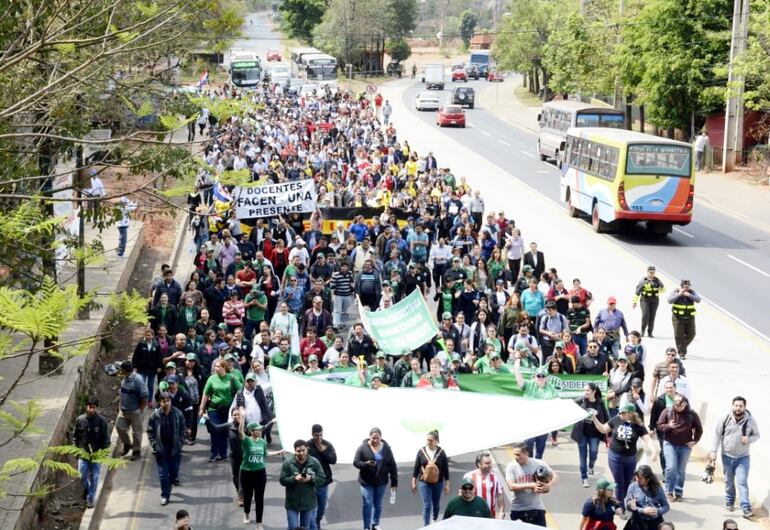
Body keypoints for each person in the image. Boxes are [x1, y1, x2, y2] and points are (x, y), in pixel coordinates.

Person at [591, 403, 658, 509]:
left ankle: (628, 502)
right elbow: (603, 429)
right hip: (615, 457)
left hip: (630, 459)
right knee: (619, 483)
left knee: (628, 483)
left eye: (623, 412)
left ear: (630, 413)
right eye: (620, 412)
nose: (620, 414)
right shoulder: (616, 419)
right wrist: (594, 419)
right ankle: (620, 507)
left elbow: (647, 439)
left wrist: (654, 451)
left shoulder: (638, 425)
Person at [709, 396, 760, 517]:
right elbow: (717, 435)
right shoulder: (725, 418)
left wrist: (749, 439)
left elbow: (757, 435)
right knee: (728, 481)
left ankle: (746, 507)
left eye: (741, 406)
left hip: (743, 457)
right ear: (732, 406)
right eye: (736, 405)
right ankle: (730, 500)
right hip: (727, 456)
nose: (738, 408)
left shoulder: (750, 420)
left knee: (742, 481)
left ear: (744, 407)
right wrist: (713, 451)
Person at [655, 394, 702, 501]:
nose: (677, 407)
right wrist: (668, 426)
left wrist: (694, 441)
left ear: (685, 404)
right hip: (670, 443)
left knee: (681, 470)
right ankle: (668, 491)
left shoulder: (692, 414)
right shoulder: (668, 411)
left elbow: (699, 429)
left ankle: (678, 491)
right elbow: (659, 425)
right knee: (671, 467)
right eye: (675, 405)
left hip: (685, 446)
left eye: (679, 405)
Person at [238, 420, 283, 528]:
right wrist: (242, 417)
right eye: (257, 430)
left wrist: (278, 452)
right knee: (248, 496)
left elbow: (265, 454)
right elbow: (240, 432)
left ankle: (259, 522)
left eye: (260, 429)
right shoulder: (247, 441)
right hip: (246, 473)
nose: (260, 431)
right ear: (251, 431)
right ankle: (247, 514)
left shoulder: (262, 442)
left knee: (259, 498)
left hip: (260, 473)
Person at [353, 427, 398, 530]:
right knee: (367, 503)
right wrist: (365, 464)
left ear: (381, 437)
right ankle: (366, 526)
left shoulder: (386, 448)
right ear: (369, 437)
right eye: (373, 438)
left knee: (377, 504)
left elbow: (392, 465)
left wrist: (394, 482)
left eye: (377, 438)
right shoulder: (362, 447)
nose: (375, 440)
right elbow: (355, 462)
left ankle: (375, 524)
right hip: (366, 481)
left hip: (381, 481)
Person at [146, 392, 186, 506]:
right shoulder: (155, 416)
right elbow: (150, 431)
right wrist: (154, 445)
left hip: (175, 449)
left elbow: (183, 429)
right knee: (163, 474)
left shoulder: (178, 414)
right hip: (161, 449)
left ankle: (169, 485)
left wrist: (180, 443)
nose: (166, 403)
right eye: (163, 401)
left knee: (174, 472)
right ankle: (165, 495)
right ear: (160, 402)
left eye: (168, 400)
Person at [199, 359, 242, 462]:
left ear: (224, 367)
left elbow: (240, 390)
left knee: (224, 431)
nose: (215, 368)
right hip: (214, 409)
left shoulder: (231, 378)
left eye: (218, 366)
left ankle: (223, 453)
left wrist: (240, 406)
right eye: (215, 366)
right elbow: (206, 394)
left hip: (227, 409)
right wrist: (201, 408)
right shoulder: (211, 379)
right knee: (214, 431)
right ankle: (214, 453)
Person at [505, 442, 557, 526]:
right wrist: (532, 485)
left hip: (536, 508)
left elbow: (555, 475)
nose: (516, 457)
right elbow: (511, 486)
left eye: (518, 455)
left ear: (526, 453)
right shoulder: (511, 466)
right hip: (518, 509)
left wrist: (548, 486)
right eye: (514, 455)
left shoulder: (538, 463)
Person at [513, 361, 557, 459]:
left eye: (543, 376)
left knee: (540, 448)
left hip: (544, 423)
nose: (540, 378)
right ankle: (529, 465)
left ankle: (537, 467)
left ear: (546, 377)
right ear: (534, 377)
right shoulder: (529, 385)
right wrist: (516, 369)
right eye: (538, 376)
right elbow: (520, 382)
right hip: (529, 422)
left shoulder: (550, 387)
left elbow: (557, 400)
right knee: (528, 445)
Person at [279, 439, 326, 530]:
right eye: (298, 451)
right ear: (295, 451)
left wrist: (311, 479)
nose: (301, 453)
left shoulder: (314, 462)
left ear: (307, 449)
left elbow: (322, 478)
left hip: (308, 503)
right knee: (292, 527)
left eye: (303, 450)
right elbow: (282, 480)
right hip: (292, 503)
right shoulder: (288, 463)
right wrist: (294, 478)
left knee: (305, 528)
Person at [73, 396, 110, 509]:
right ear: (86, 407)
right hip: (83, 454)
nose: (91, 410)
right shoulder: (80, 420)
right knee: (82, 475)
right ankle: (87, 488)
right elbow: (75, 437)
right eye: (90, 407)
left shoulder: (101, 422)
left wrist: (103, 453)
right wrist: (76, 450)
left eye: (94, 408)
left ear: (96, 408)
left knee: (95, 477)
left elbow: (106, 439)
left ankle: (90, 498)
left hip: (96, 455)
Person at [571, 383, 610, 488]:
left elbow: (606, 418)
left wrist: (608, 432)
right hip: (582, 433)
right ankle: (584, 477)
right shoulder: (581, 400)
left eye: (588, 390)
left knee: (593, 453)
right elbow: (570, 405)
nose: (585, 392)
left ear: (594, 391)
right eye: (584, 390)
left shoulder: (600, 402)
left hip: (595, 434)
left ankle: (591, 465)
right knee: (582, 456)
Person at [411, 430, 450, 526]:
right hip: (424, 482)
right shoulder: (421, 452)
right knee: (427, 505)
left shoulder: (441, 452)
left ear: (436, 441)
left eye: (431, 440)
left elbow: (445, 469)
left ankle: (434, 517)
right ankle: (426, 526)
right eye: (427, 440)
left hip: (438, 482)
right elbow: (416, 468)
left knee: (436, 504)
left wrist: (447, 484)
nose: (428, 442)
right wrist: (413, 482)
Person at [116, 360, 148, 461]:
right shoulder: (125, 379)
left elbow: (144, 397)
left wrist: (140, 410)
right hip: (124, 411)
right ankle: (127, 444)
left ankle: (136, 451)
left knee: (137, 432)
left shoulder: (138, 380)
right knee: (120, 427)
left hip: (135, 411)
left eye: (121, 370)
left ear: (125, 370)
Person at [307, 424, 337, 530]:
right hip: (310, 482)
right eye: (316, 435)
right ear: (312, 434)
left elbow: (333, 460)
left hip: (323, 482)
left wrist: (323, 450)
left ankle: (317, 522)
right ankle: (313, 527)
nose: (319, 438)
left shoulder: (327, 444)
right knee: (312, 507)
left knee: (322, 507)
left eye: (321, 435)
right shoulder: (307, 446)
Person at [624, 465, 670, 530]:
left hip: (655, 522)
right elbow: (628, 506)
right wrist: (643, 511)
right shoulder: (632, 487)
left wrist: (657, 511)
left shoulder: (658, 488)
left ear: (648, 479)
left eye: (640, 478)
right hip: (637, 521)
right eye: (636, 477)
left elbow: (666, 506)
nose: (637, 479)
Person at [463, 451, 505, 519]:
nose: (490, 465)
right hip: (472, 516)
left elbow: (499, 496)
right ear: (479, 464)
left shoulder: (495, 477)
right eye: (487, 463)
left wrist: (501, 513)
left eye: (490, 462)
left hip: (489, 516)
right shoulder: (468, 477)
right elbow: (462, 496)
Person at [667, 280, 700, 358]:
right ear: (681, 286)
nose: (687, 288)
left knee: (692, 334)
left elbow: (698, 299)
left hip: (690, 317)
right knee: (679, 336)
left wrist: (688, 294)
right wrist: (679, 294)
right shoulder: (675, 291)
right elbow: (669, 300)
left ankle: (681, 347)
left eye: (688, 287)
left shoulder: (691, 292)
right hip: (678, 318)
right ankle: (682, 353)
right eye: (685, 287)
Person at [632, 266, 664, 338]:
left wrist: (661, 288)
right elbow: (637, 292)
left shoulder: (657, 280)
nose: (652, 274)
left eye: (653, 272)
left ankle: (650, 332)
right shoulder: (643, 281)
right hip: (645, 300)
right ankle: (642, 331)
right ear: (647, 272)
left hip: (654, 300)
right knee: (645, 315)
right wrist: (634, 302)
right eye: (651, 272)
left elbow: (663, 290)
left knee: (652, 316)